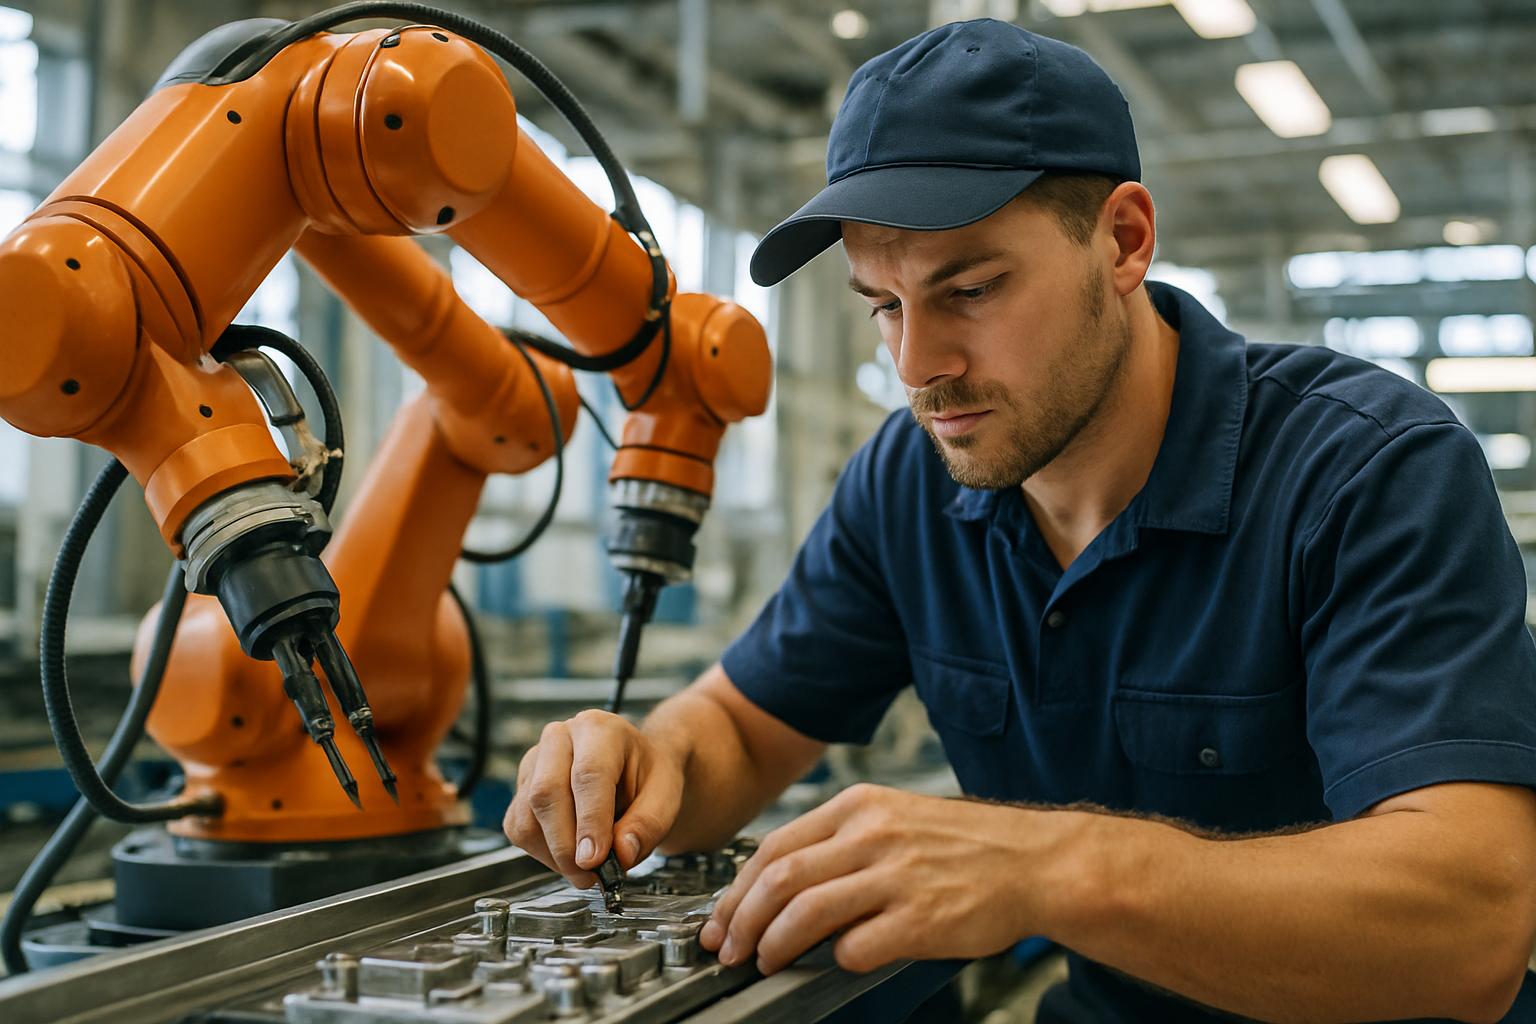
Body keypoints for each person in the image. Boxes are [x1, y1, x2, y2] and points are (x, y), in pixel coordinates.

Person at [505, 18, 1536, 1021]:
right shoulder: (907, 482)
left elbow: (1470, 928)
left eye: (974, 288)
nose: (916, 366)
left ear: (1123, 240)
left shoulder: (1363, 470)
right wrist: (649, 760)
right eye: (885, 305)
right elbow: (738, 725)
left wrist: (1054, 864)